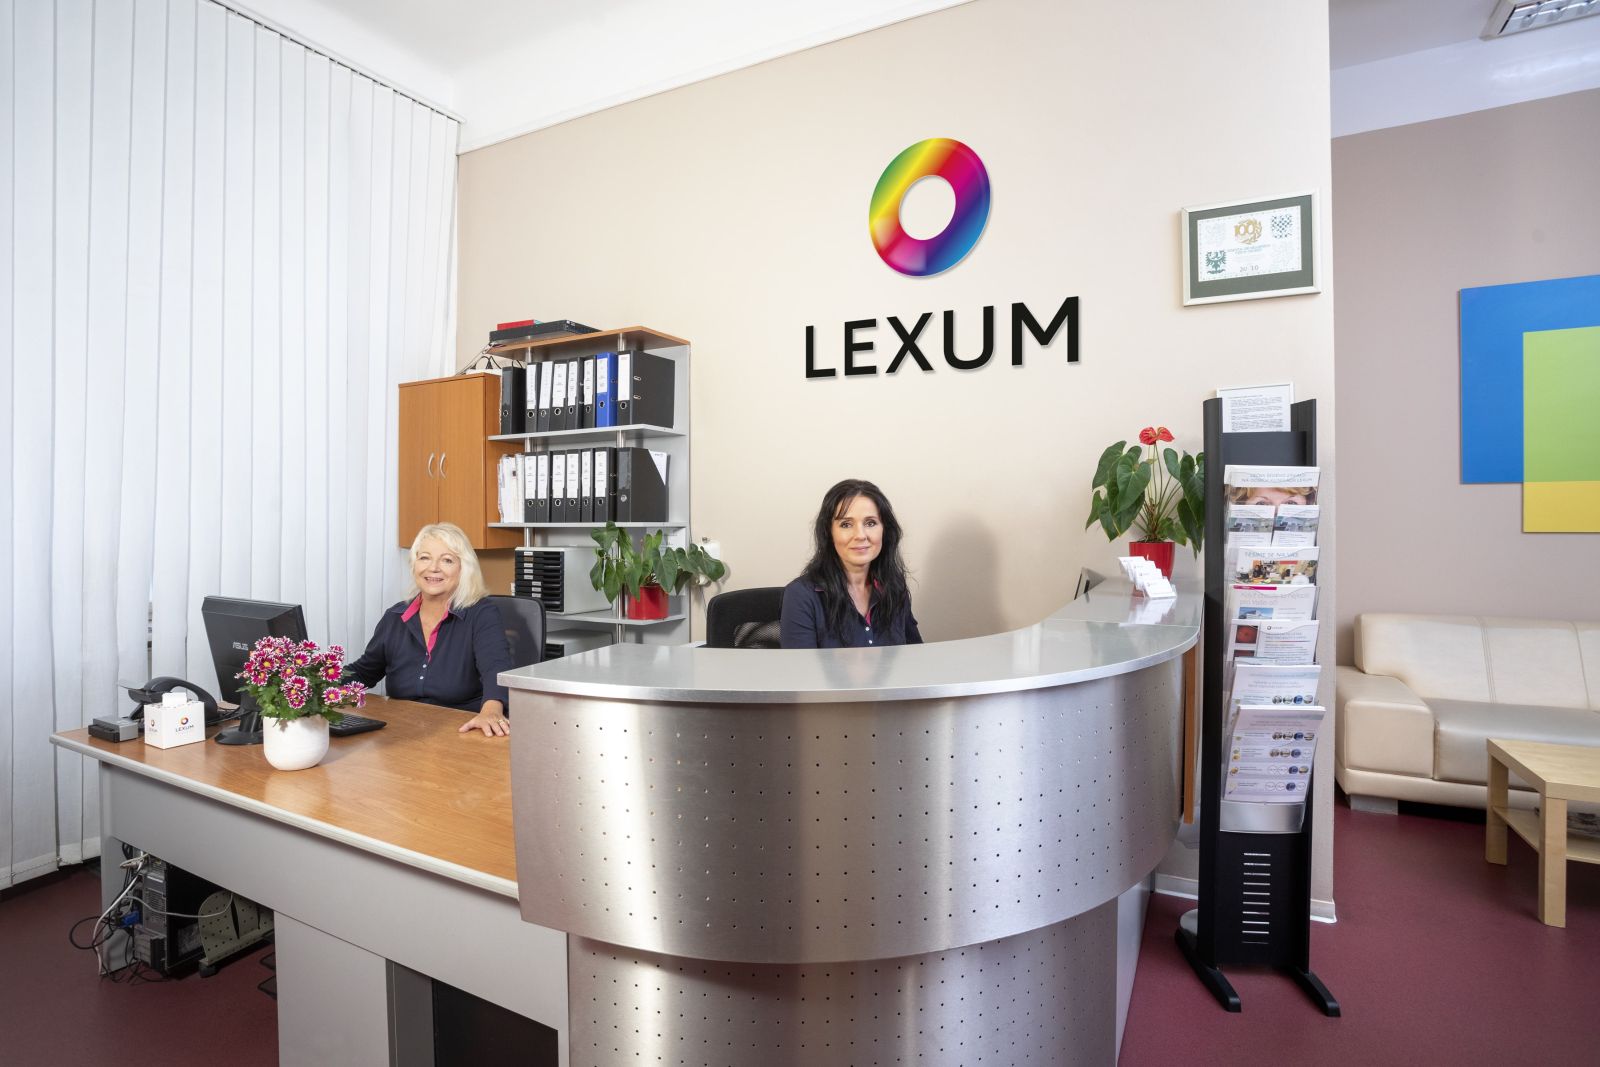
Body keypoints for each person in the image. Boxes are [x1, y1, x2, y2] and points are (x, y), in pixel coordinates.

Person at [345, 522, 514, 737]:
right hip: (404, 731)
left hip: (463, 730)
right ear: (414, 564)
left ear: (464, 568)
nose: (433, 568)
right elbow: (364, 671)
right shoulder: (395, 617)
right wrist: (317, 685)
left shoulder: (481, 613)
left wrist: (491, 711)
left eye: (447, 560)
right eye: (424, 558)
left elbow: (496, 670)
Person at [780, 479, 923, 649]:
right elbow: (801, 666)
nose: (860, 535)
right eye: (846, 524)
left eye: (870, 523)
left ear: (885, 530)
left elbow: (916, 656)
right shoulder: (801, 595)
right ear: (829, 533)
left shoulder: (894, 585)